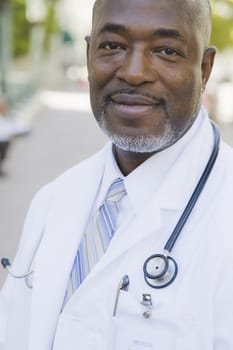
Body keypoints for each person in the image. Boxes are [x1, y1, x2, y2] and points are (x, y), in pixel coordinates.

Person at [1, 0, 233, 349]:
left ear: (204, 68)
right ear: (89, 53)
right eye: (112, 46)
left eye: (167, 50)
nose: (134, 72)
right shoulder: (54, 199)